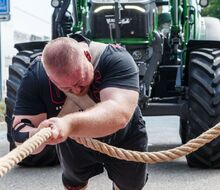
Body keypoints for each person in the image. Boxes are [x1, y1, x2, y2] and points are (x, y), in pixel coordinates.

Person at [13, 34, 148, 190]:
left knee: (129, 186)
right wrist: (38, 135)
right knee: (74, 184)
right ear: (49, 78)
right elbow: (19, 130)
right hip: (74, 140)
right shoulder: (36, 76)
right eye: (67, 88)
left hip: (124, 135)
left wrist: (68, 124)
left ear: (87, 56)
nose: (76, 90)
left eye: (80, 81)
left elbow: (119, 114)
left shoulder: (115, 58)